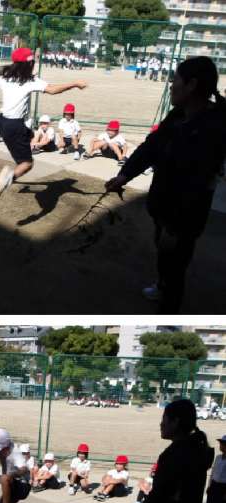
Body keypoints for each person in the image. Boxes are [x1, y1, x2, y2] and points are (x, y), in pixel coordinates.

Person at [105, 57, 226, 313]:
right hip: (164, 206)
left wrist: (175, 226)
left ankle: (169, 305)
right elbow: (151, 147)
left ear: (191, 85)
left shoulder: (211, 128)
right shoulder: (178, 115)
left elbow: (197, 184)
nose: (171, 85)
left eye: (176, 80)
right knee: (163, 251)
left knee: (175, 263)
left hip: (184, 216)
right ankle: (162, 284)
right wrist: (125, 175)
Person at [0, 47, 87, 197]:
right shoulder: (30, 81)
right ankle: (8, 178)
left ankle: (18, 164)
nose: (34, 64)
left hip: (3, 122)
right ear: (27, 64)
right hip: (15, 126)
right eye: (32, 62)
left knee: (29, 135)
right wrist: (74, 84)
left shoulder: (5, 78)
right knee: (27, 164)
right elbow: (52, 89)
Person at [200, 434, 226, 503]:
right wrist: (209, 485)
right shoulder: (218, 457)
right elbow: (213, 472)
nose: (221, 446)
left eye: (223, 444)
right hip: (215, 485)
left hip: (224, 487)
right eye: (221, 443)